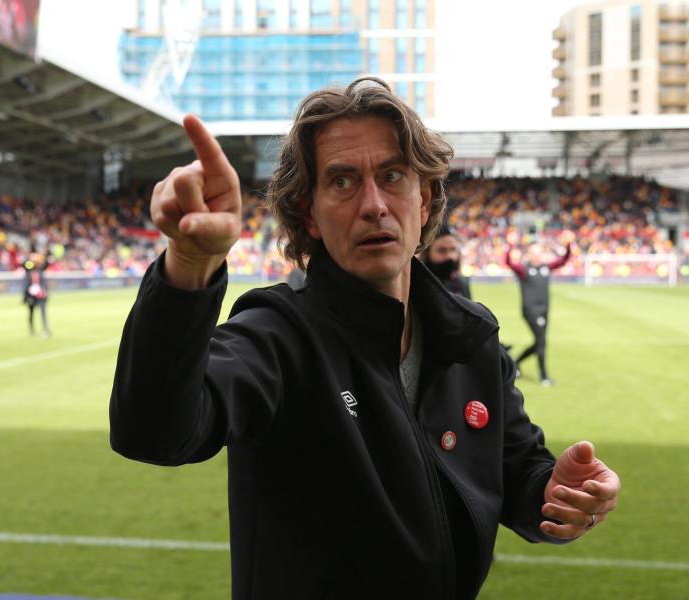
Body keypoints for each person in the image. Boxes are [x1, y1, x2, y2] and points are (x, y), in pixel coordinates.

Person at [109, 78, 620, 599]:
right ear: (309, 213)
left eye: (393, 176)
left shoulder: (470, 338)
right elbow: (154, 432)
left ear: (424, 199)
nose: (374, 204)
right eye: (343, 182)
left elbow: (515, 468)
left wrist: (555, 493)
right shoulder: (279, 335)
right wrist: (190, 264)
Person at [506, 240, 571, 386]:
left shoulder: (546, 267)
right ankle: (544, 377)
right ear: (528, 254)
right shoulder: (524, 269)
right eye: (534, 252)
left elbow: (563, 260)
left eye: (539, 252)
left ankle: (515, 363)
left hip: (544, 311)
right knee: (541, 343)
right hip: (531, 311)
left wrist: (568, 247)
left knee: (539, 343)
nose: (537, 255)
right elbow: (509, 262)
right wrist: (510, 248)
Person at [420, 223, 471, 299]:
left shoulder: (462, 283)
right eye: (442, 250)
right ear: (427, 253)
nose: (449, 256)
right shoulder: (418, 284)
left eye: (453, 249)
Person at [22, 252, 50, 337]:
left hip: (41, 295)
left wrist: (42, 257)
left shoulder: (40, 270)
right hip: (31, 295)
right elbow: (25, 264)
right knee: (31, 313)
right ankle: (32, 330)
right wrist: (31, 259)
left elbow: (46, 264)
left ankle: (45, 329)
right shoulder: (29, 270)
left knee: (43, 312)